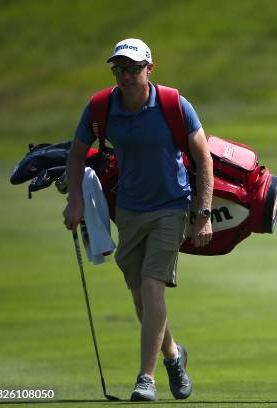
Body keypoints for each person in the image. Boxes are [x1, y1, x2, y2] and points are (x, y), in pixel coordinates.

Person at [62, 38, 214, 401]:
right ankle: (174, 356)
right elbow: (76, 155)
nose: (126, 76)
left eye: (133, 68)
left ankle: (146, 378)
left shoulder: (174, 104)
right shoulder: (101, 107)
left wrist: (203, 214)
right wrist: (75, 201)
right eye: (119, 69)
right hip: (128, 210)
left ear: (150, 68)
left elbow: (204, 159)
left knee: (151, 286)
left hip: (172, 206)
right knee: (140, 300)